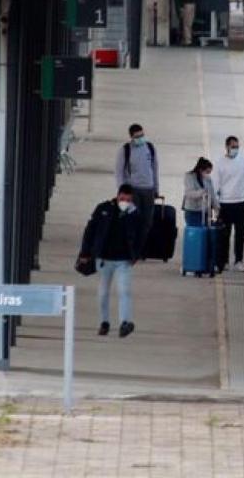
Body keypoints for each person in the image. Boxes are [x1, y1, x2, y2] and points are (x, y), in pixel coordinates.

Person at [79, 184, 142, 338]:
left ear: (132, 199)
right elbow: (90, 230)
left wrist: (136, 254)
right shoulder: (104, 209)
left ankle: (125, 322)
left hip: (124, 261)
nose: (124, 201)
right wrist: (85, 252)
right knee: (103, 293)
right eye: (122, 198)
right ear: (117, 195)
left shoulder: (135, 214)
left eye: (128, 199)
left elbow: (141, 235)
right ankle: (104, 322)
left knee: (124, 291)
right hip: (103, 259)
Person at [214, 135, 244, 272]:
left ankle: (239, 261)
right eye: (233, 147)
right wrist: (215, 204)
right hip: (225, 203)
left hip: (241, 203)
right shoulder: (220, 163)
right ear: (227, 147)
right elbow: (215, 184)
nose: (235, 149)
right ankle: (224, 261)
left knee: (240, 235)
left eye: (237, 147)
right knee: (225, 235)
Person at [115, 123, 160, 253]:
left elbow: (155, 169)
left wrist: (156, 188)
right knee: (132, 220)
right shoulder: (125, 150)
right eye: (137, 136)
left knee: (147, 222)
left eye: (142, 135)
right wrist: (121, 191)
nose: (140, 138)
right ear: (131, 137)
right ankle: (130, 248)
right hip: (133, 190)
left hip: (149, 189)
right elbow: (119, 171)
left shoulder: (150, 148)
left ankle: (139, 249)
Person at [182, 157, 220, 227]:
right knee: (196, 232)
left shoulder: (208, 179)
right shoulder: (189, 177)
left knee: (205, 232)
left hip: (205, 211)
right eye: (207, 172)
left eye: (209, 173)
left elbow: (212, 195)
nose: (208, 174)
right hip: (192, 211)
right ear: (201, 170)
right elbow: (189, 193)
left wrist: (217, 208)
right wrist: (202, 192)